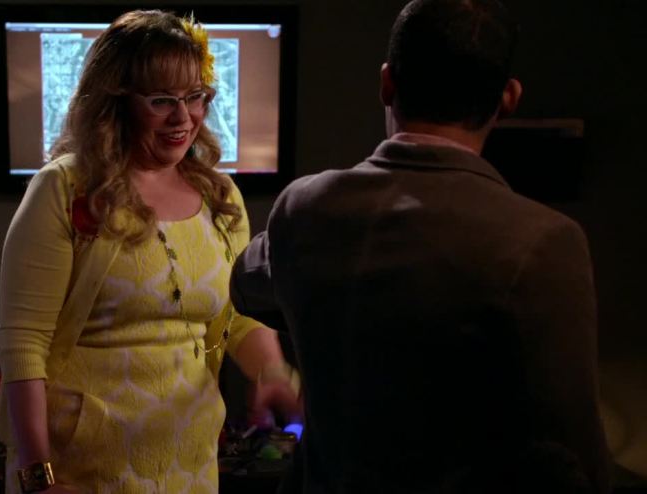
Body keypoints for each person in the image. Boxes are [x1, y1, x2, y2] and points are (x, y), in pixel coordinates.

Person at [230, 0, 611, 492]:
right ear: (508, 97)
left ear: (387, 83)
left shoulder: (304, 208)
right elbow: (573, 454)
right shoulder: (545, 240)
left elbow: (244, 286)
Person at [0, 10, 299, 494]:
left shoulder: (220, 198)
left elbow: (237, 318)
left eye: (195, 97)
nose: (184, 117)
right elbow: (24, 344)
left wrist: (274, 373)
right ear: (115, 102)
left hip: (188, 464)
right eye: (162, 101)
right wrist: (36, 476)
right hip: (78, 471)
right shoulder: (65, 189)